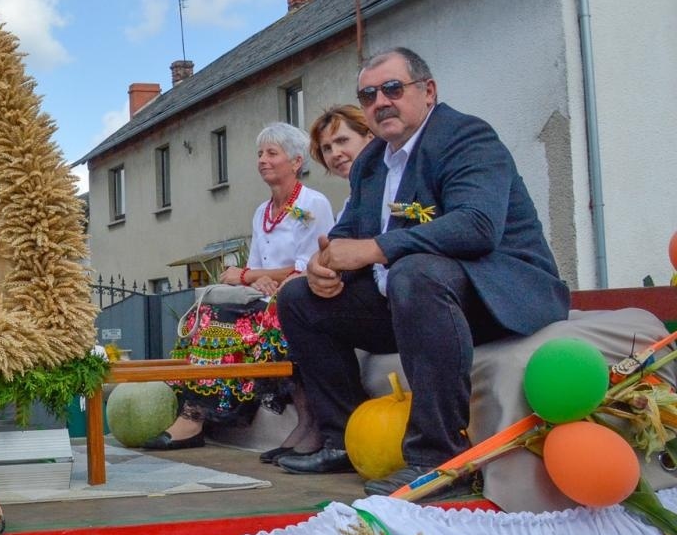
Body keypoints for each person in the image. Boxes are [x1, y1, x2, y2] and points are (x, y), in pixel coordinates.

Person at [275, 47, 569, 495]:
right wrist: (323, 265)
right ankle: (342, 438)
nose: (380, 102)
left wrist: (374, 249)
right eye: (368, 95)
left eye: (393, 88)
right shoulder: (372, 163)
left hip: (495, 293)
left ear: (428, 91)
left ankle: (441, 458)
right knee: (299, 298)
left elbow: (477, 226)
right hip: (416, 304)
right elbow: (348, 234)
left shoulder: (466, 137)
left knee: (413, 272)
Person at [148, 122, 335, 450]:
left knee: (234, 319)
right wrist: (257, 278)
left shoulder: (313, 203)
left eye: (272, 153)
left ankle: (197, 416)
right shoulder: (262, 211)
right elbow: (256, 269)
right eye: (260, 153)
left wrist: (251, 276)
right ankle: (192, 413)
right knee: (206, 314)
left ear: (296, 162)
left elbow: (308, 267)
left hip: (298, 299)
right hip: (265, 297)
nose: (262, 160)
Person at [308, 104, 372, 183]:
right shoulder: (358, 193)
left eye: (342, 141)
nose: (335, 154)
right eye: (327, 148)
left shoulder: (389, 186)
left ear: (370, 137)